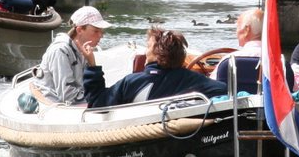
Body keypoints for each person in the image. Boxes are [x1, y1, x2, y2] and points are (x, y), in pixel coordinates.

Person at [82, 27, 227, 108]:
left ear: (158, 54)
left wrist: (92, 66)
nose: (145, 51)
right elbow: (225, 91)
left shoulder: (132, 83)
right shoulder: (194, 80)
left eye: (148, 47)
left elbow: (97, 103)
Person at [32, 5, 111, 105]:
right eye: (96, 31)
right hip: (54, 105)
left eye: (101, 31)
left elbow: (91, 88)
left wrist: (92, 63)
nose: (101, 35)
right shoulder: (60, 51)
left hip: (75, 101)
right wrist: (98, 99)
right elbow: (68, 96)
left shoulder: (84, 50)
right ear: (79, 30)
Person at [212, 6, 263, 92]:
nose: (235, 32)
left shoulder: (228, 61)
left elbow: (212, 88)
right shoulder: (280, 62)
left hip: (232, 105)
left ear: (247, 30)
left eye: (237, 27)